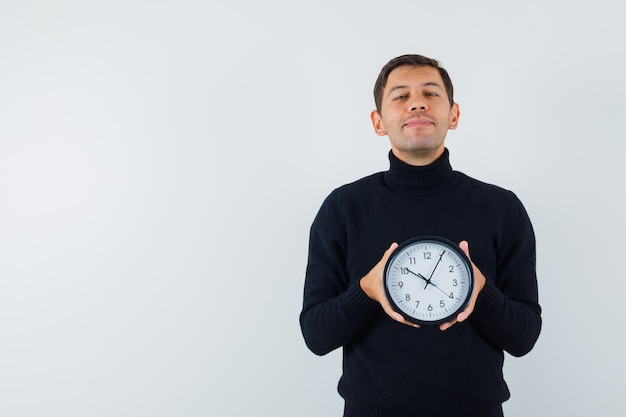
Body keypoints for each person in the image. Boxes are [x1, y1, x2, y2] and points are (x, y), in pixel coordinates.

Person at [299, 54, 542, 417]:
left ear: (454, 114)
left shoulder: (501, 208)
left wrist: (480, 292)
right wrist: (367, 290)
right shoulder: (344, 208)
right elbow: (317, 336)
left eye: (431, 92)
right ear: (378, 122)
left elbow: (524, 338)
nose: (417, 102)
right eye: (400, 96)